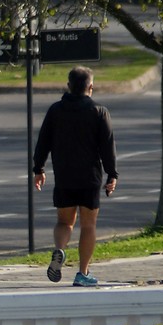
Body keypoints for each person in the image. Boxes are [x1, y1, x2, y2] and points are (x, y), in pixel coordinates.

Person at [32, 66, 119, 287]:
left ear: (69, 86)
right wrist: (112, 174)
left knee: (64, 221)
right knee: (88, 225)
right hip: (89, 177)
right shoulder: (99, 111)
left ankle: (60, 249)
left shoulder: (55, 110)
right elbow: (107, 147)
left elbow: (43, 142)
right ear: (91, 87)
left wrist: (38, 169)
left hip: (64, 175)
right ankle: (82, 273)